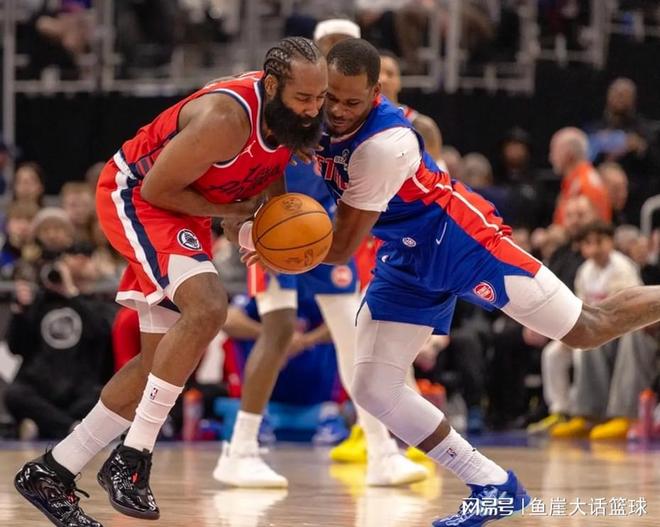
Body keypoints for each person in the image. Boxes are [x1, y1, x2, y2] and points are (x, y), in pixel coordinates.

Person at [244, 38, 660, 525]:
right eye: (330, 98)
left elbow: (340, 247)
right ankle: (493, 485)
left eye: (351, 102)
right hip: (406, 254)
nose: (335, 111)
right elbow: (270, 156)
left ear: (375, 94)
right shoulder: (312, 109)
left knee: (587, 329)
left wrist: (267, 245)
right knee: (373, 387)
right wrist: (262, 212)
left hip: (461, 240)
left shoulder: (383, 145)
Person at [14, 36, 328, 527]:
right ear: (272, 86)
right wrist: (233, 212)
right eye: (303, 98)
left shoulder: (289, 122)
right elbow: (157, 188)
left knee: (156, 364)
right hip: (136, 195)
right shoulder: (226, 119)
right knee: (208, 307)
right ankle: (133, 456)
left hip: (184, 209)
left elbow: (267, 181)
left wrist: (261, 230)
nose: (312, 109)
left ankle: (52, 472)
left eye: (320, 98)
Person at [215, 21, 427, 489]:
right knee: (278, 329)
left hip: (321, 233)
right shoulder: (292, 104)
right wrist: (252, 220)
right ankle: (241, 448)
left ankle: (381, 454)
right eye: (329, 52)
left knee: (354, 337)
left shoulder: (356, 116)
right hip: (276, 225)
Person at [550, 127, 612, 226]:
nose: (551, 157)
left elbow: (590, 229)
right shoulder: (576, 180)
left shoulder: (584, 184)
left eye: (554, 151)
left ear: (568, 154)